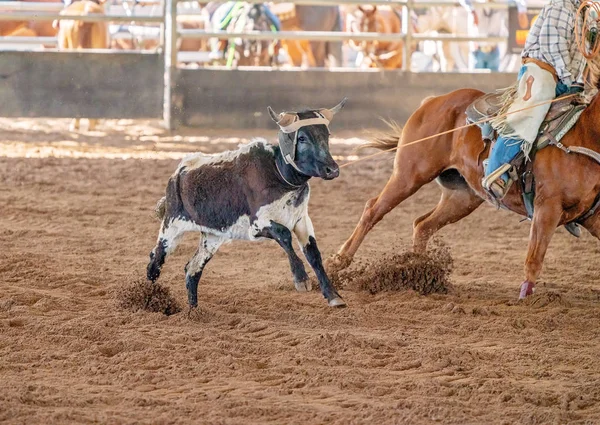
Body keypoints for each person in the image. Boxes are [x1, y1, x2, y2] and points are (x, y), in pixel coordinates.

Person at [481, 0, 587, 200]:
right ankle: (496, 172)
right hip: (543, 69)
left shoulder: (584, 13)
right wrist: (569, 79)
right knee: (530, 110)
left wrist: (579, 81)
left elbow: (584, 53)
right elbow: (551, 45)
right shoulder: (560, 7)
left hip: (568, 77)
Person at [460, 0, 528, 72]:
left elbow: (519, 1)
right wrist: (471, 11)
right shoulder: (476, 3)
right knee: (475, 81)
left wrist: (522, 11)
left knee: (493, 81)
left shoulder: (500, 3)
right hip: (477, 50)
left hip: (493, 51)